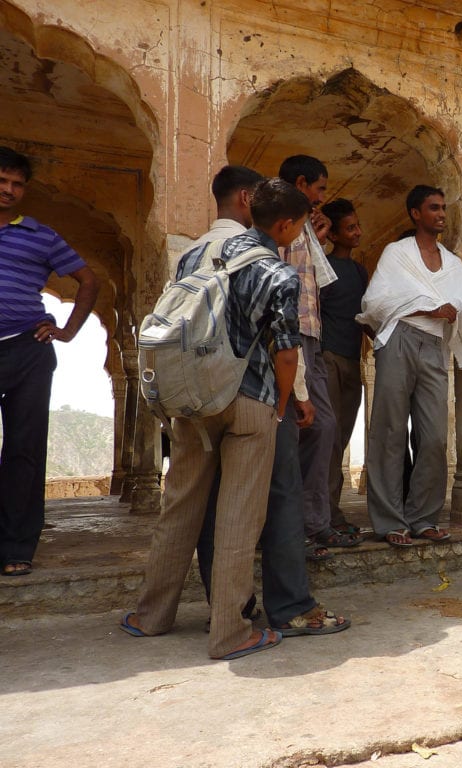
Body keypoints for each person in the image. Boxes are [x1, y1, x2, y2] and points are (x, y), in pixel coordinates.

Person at [120, 177, 307, 660]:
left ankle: (151, 615)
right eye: (299, 228)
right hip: (248, 402)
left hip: (190, 401)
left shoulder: (195, 257)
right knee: (239, 519)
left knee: (179, 507)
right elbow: (286, 353)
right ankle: (230, 632)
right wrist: (281, 405)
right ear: (283, 225)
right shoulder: (278, 273)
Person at [191, 166, 348, 638]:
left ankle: (226, 604)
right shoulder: (270, 264)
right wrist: (290, 400)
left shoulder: (194, 251)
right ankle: (293, 605)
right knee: (280, 495)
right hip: (255, 394)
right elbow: (284, 344)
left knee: (215, 499)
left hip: (201, 392)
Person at [357, 185, 462, 546]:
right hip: (399, 339)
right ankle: (389, 522)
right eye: (433, 208)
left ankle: (424, 517)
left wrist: (449, 309)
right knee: (389, 431)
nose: (441, 214)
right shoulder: (397, 253)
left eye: (443, 208)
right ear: (415, 213)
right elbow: (376, 301)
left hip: (435, 346)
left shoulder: (453, 263)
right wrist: (429, 305)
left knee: (435, 435)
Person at [0, 146, 98, 577]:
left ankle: (17, 547)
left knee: (24, 450)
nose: (9, 190)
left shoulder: (40, 234)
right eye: (2, 181)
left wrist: (68, 330)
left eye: (17, 184)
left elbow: (87, 279)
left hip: (28, 349)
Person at [278, 155, 358, 549]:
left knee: (320, 427)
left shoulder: (302, 228)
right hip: (292, 336)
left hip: (311, 336)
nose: (323, 197)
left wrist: (318, 237)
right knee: (304, 428)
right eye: (320, 188)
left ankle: (310, 522)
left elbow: (317, 279)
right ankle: (299, 526)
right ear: (301, 182)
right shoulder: (283, 225)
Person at [319, 198, 370, 536]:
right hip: (328, 359)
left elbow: (364, 315)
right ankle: (324, 514)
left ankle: (329, 511)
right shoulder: (321, 268)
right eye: (350, 228)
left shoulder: (358, 271)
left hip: (352, 360)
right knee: (328, 440)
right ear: (334, 235)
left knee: (340, 436)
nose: (357, 232)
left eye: (357, 226)